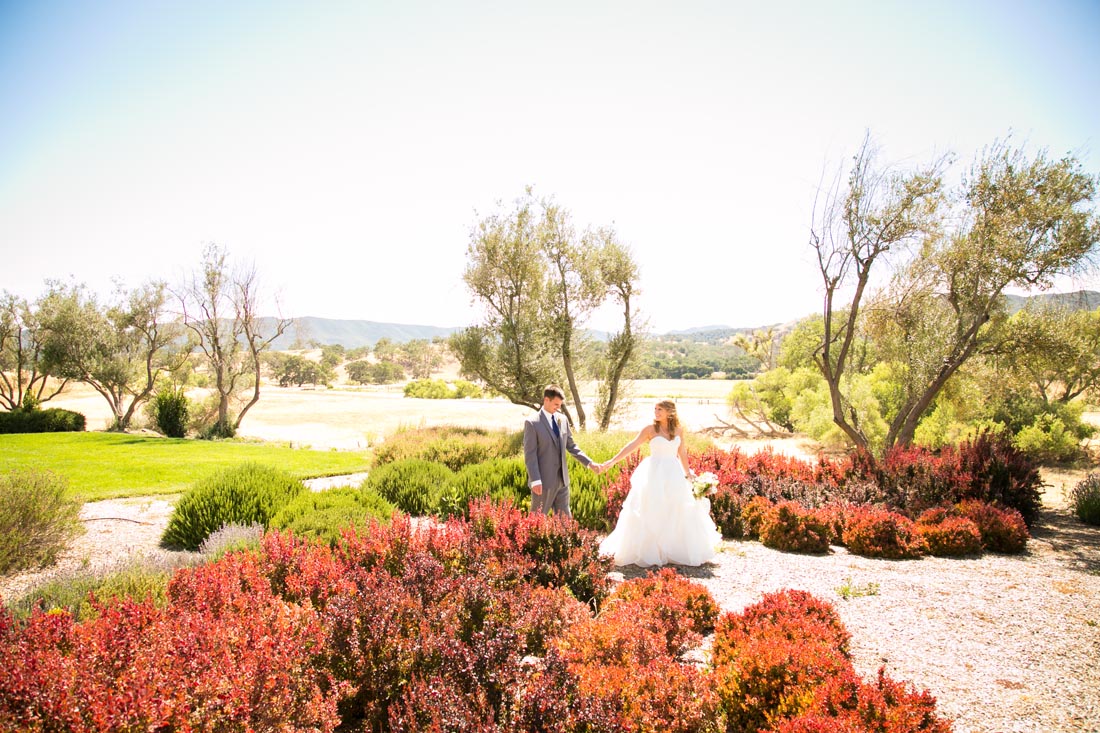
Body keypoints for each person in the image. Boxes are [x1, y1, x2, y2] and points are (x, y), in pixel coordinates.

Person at [597, 400, 720, 567]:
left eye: (659, 409)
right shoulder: (650, 429)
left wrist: (688, 474)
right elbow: (632, 445)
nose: (656, 412)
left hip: (673, 473)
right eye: (655, 409)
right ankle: (650, 550)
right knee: (651, 507)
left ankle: (673, 549)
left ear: (670, 412)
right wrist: (612, 461)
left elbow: (682, 453)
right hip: (654, 472)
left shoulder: (678, 430)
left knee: (676, 508)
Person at [523, 384, 601, 516]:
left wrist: (590, 463)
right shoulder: (532, 423)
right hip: (543, 482)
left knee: (565, 521)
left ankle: (566, 537)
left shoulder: (563, 420)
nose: (558, 408)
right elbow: (530, 455)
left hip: (563, 481)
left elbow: (571, 446)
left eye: (560, 405)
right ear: (546, 400)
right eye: (556, 404)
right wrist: (535, 480)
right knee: (537, 519)